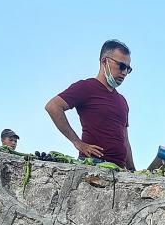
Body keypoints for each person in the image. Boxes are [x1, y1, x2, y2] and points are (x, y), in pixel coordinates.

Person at [45, 40, 134, 169]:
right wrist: (78, 143)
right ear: (104, 61)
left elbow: (125, 138)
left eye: (128, 68)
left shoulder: (122, 101)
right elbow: (53, 106)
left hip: (119, 169)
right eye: (121, 66)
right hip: (93, 166)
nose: (125, 72)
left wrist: (132, 170)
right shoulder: (86, 87)